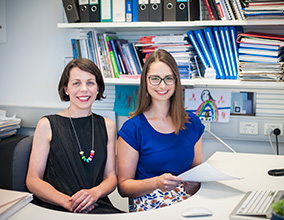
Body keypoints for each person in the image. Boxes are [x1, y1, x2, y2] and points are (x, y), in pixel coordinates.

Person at [26, 59, 123, 214]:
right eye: (76, 83)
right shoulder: (47, 124)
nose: (84, 89)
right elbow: (33, 180)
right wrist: (70, 203)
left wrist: (95, 193)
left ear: (98, 88)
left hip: (95, 205)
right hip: (57, 208)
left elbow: (111, 178)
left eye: (90, 83)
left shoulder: (108, 126)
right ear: (66, 88)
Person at [117, 49, 205, 212]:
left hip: (187, 205)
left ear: (176, 81)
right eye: (155, 79)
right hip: (150, 206)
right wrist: (156, 183)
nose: (162, 85)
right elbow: (123, 187)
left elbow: (196, 173)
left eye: (168, 79)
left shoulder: (192, 123)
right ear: (145, 81)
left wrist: (195, 184)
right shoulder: (133, 129)